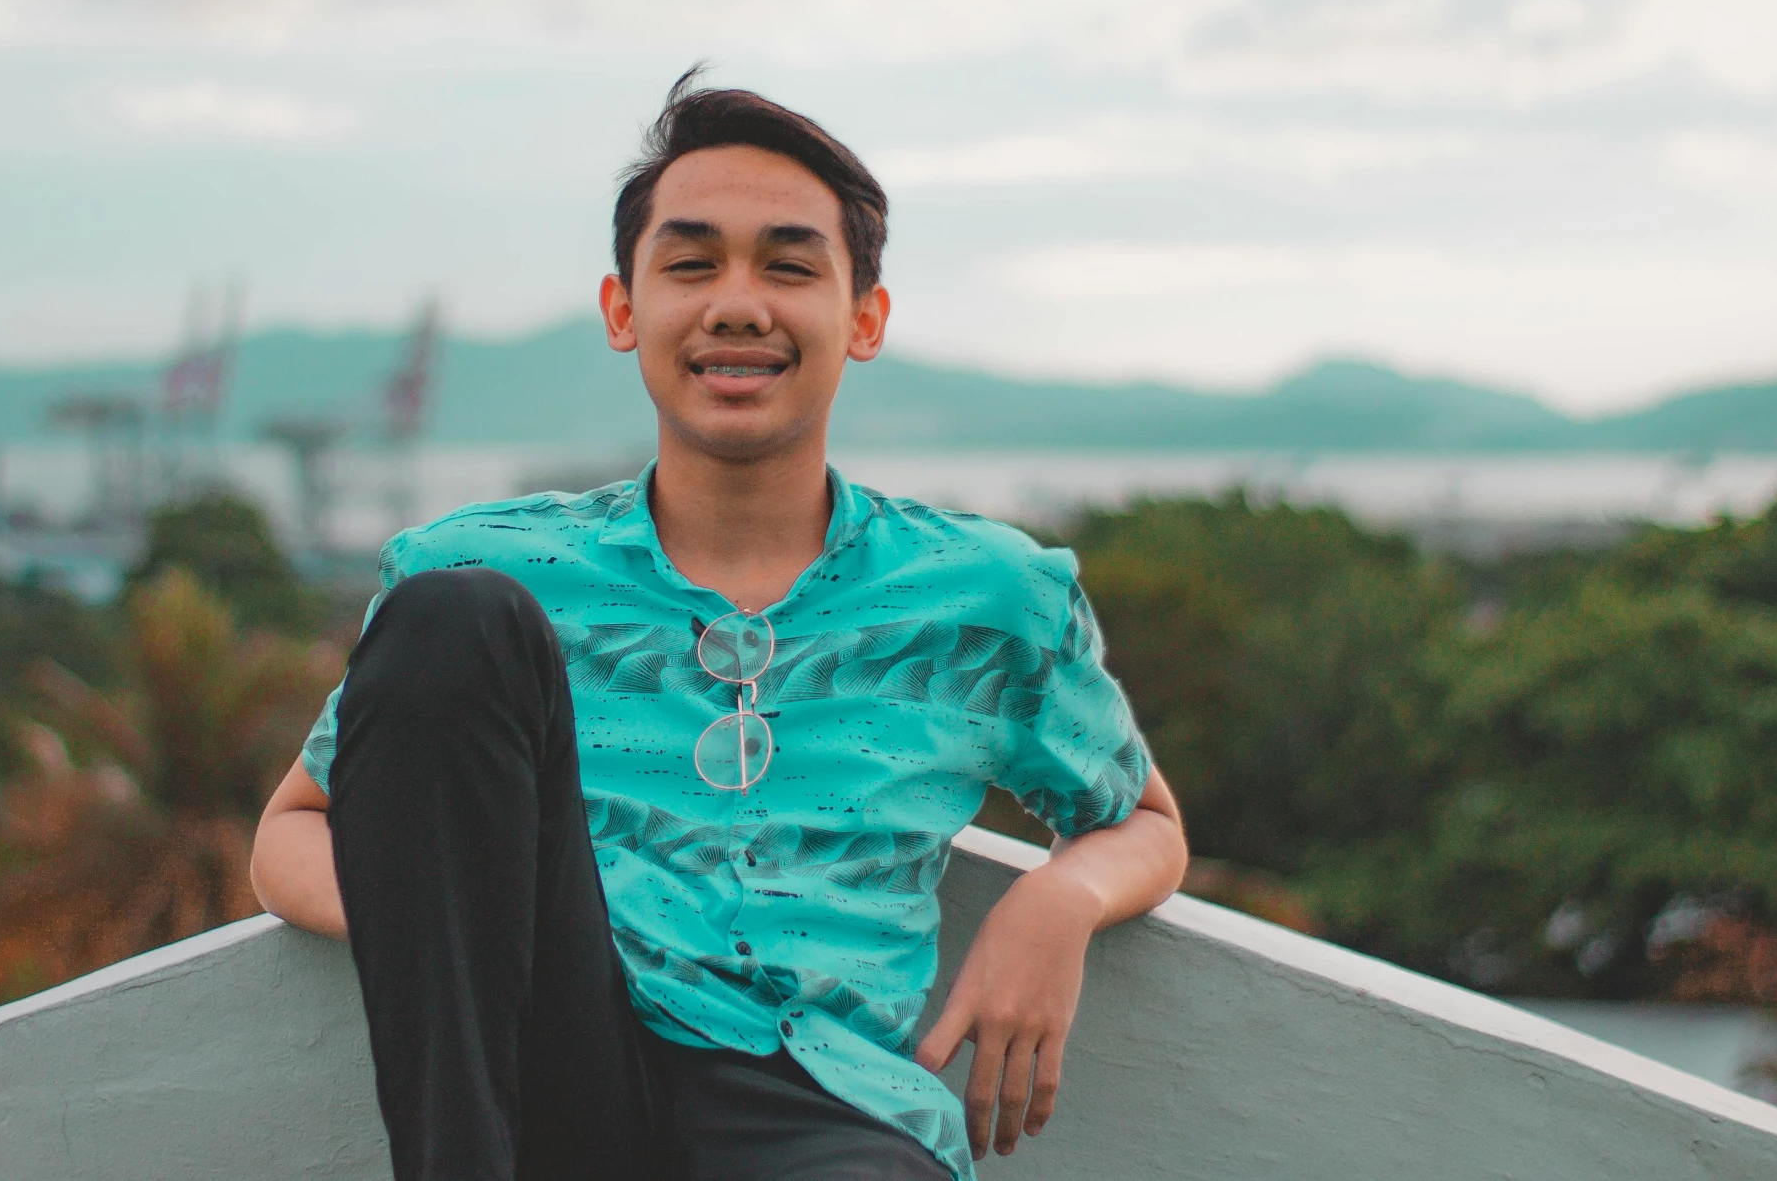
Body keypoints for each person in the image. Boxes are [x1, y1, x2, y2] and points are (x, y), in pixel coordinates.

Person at [250, 71, 1187, 1181]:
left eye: (789, 266)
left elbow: (1144, 822)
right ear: (623, 309)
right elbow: (289, 837)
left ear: (865, 317)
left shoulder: (984, 594)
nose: (736, 303)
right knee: (450, 622)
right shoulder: (485, 565)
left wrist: (1062, 896)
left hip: (828, 1107)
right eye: (690, 263)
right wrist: (478, 923)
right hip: (553, 1074)